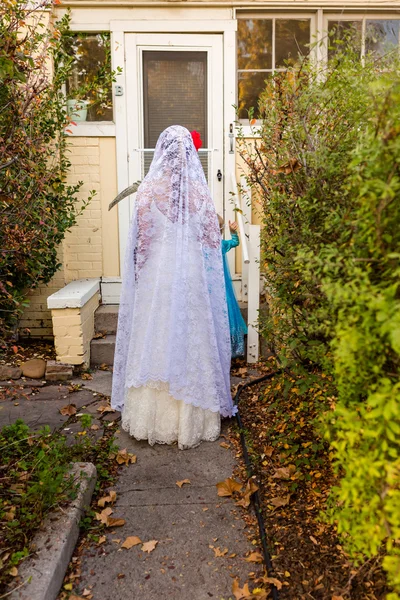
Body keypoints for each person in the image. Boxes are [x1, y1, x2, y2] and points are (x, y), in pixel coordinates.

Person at [111, 125, 236, 450]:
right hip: (192, 277)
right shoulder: (201, 195)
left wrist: (141, 278)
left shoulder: (148, 192)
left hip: (158, 277)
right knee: (192, 336)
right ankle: (190, 419)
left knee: (156, 335)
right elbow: (210, 242)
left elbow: (141, 243)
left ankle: (152, 418)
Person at [219, 216, 248, 358]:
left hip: (220, 285)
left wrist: (233, 232)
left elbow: (235, 242)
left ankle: (229, 348)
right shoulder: (203, 245)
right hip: (213, 286)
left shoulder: (219, 244)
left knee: (226, 310)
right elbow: (235, 242)